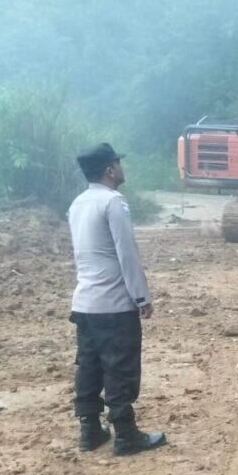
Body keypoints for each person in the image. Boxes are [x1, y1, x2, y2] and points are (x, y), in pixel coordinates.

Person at [68, 143, 166, 455]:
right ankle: (126, 434)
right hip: (113, 304)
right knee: (120, 368)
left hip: (84, 303)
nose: (122, 168)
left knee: (89, 366)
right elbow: (127, 254)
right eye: (118, 163)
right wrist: (141, 296)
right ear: (110, 170)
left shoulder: (77, 204)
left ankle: (90, 431)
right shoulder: (113, 202)